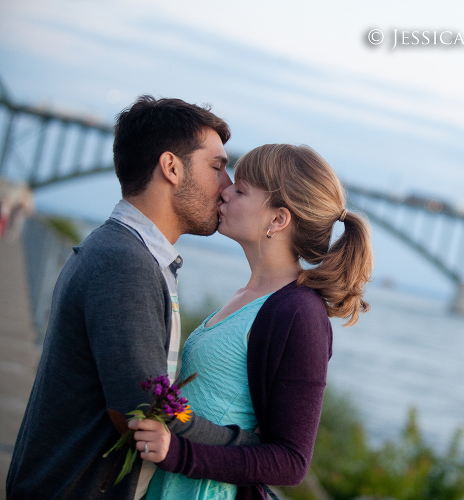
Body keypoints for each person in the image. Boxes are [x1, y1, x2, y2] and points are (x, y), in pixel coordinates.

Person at [6, 96, 262, 500]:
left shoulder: (124, 251)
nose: (228, 186)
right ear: (171, 168)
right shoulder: (125, 263)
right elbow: (144, 410)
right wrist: (249, 445)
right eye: (217, 167)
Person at [128, 144, 374, 499]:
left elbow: (290, 461)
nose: (224, 191)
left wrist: (178, 453)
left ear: (278, 219)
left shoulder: (299, 315)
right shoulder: (248, 296)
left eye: (241, 190)